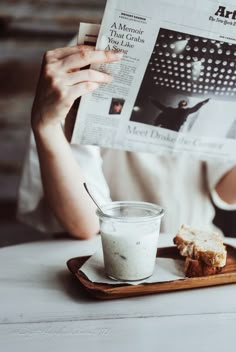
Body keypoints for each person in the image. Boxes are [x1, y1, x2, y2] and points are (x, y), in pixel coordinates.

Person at [17, 43, 236, 239]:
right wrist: (46, 127)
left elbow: (227, 189)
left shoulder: (207, 76)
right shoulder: (78, 63)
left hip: (193, 242)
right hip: (107, 249)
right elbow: (84, 224)